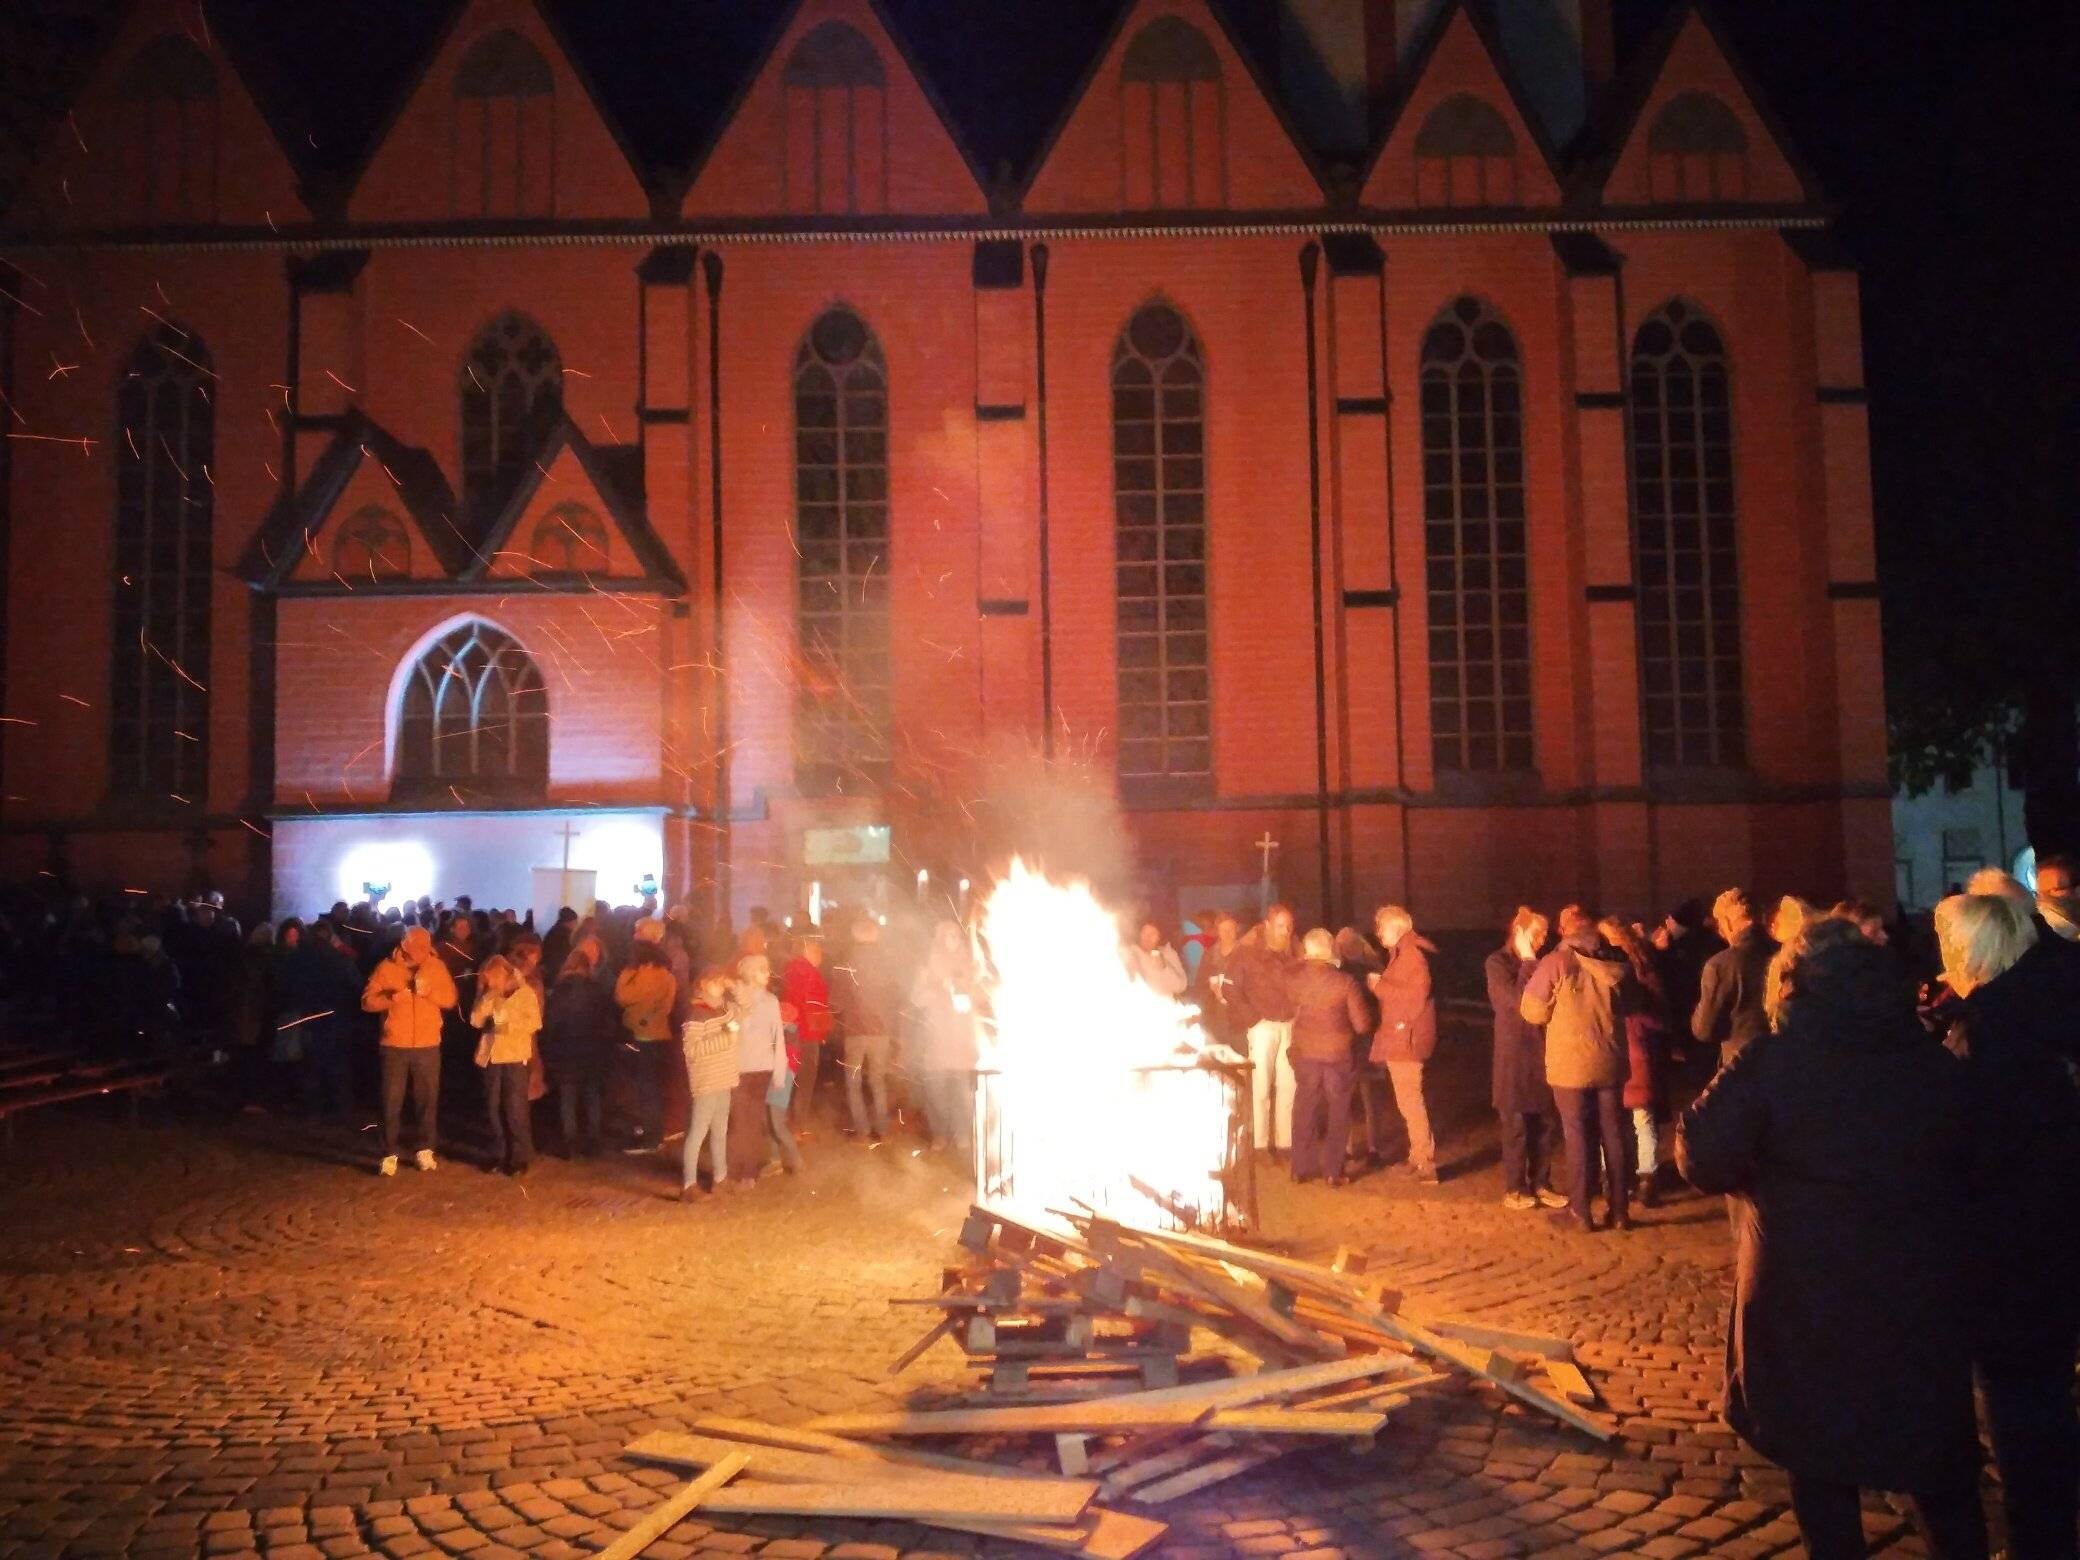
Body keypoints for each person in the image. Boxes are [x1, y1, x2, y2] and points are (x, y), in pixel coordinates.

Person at [1678, 918, 1988, 1560]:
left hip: (1806, 1293)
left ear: (1790, 983)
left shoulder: (1775, 1058)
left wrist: (1760, 1172)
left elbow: (1699, 1154)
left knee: (1820, 1460)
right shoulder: (1929, 1057)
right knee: (1932, 1454)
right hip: (1917, 1290)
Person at [1935, 892, 2079, 1559]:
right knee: (2047, 1400)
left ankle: (2039, 1544)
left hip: (2013, 1256)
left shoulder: (1988, 1034)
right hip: (2053, 1241)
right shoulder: (2049, 1005)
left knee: (2023, 1417)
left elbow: (1976, 1156)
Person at [1521, 905, 1631, 1233]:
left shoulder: (1556, 962)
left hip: (1570, 1065)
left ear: (1566, 930)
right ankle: (1620, 1211)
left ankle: (1580, 1211)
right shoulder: (1616, 960)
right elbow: (1633, 1004)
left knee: (1577, 1135)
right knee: (1614, 1134)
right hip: (1610, 1060)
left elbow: (1533, 1012)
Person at [361, 925, 459, 1176]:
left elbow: (450, 999)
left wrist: (431, 993)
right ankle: (388, 1152)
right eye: (418, 947)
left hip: (427, 1044)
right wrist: (392, 999)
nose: (424, 952)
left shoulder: (436, 967)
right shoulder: (386, 967)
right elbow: (367, 1001)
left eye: (427, 947)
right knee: (391, 1100)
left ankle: (424, 1149)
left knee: (427, 1099)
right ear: (404, 945)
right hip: (395, 1044)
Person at [1486, 907, 1565, 1212]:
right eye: (1537, 934)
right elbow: (1519, 1002)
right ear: (1519, 933)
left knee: (1545, 1126)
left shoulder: (1544, 961)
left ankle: (1542, 1183)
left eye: (1545, 934)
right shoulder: (1497, 963)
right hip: (1514, 1059)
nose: (1542, 940)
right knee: (1516, 1127)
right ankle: (1515, 1188)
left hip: (1543, 1053)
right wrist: (1529, 961)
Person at [1285, 928, 1372, 1186]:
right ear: (1330, 950)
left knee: (1304, 1107)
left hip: (1305, 1052)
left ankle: (1300, 1167)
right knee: (1339, 1109)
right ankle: (1334, 1170)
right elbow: (1362, 1025)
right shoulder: (1345, 982)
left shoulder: (1295, 980)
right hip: (1338, 1054)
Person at [1601, 916, 1672, 1208]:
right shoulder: (1642, 965)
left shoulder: (1628, 969)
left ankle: (1640, 1180)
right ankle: (1637, 1178)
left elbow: (1657, 1012)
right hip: (1627, 1049)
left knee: (1631, 1118)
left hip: (1628, 1049)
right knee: (1634, 1119)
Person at [1367, 905, 1440, 1185]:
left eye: (1381, 927)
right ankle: (1417, 1155)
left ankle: (1426, 1163)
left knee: (1411, 1100)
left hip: (1406, 1038)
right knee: (1407, 1099)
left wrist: (1379, 987)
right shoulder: (1405, 953)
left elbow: (1414, 997)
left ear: (1396, 928)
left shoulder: (1411, 956)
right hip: (1403, 1036)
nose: (1378, 933)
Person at [275, 917, 362, 1122]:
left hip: (308, 1016)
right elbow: (357, 985)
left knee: (311, 1063)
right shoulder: (339, 959)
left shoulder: (299, 958)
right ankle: (340, 1109)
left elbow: (285, 985)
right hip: (336, 1017)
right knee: (337, 1064)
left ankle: (312, 1108)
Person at [1228, 905, 1299, 1155]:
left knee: (1288, 1085)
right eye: (1280, 925)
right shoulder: (1246, 954)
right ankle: (1259, 1144)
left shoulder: (1293, 953)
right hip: (1262, 1027)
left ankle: (1285, 1142)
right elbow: (1231, 989)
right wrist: (1253, 1019)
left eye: (1289, 926)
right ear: (1267, 925)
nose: (1286, 931)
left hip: (1289, 1025)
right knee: (1260, 1085)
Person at [471, 941, 542, 1177]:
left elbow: (534, 1023)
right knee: (493, 1107)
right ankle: (498, 1153)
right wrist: (485, 1004)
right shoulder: (491, 995)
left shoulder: (525, 994)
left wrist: (508, 1024)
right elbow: (475, 1020)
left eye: (494, 978)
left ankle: (520, 1156)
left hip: (514, 1056)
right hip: (492, 1056)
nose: (491, 982)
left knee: (515, 1108)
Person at [909, 920, 980, 1154]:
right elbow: (916, 998)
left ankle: (962, 1135)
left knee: (964, 1096)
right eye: (947, 936)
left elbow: (981, 998)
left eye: (955, 936)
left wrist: (968, 995)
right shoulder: (928, 967)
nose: (952, 939)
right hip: (936, 1042)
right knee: (936, 1094)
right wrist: (939, 988)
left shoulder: (971, 965)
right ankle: (939, 1134)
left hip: (962, 1043)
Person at [540, 938, 615, 1157]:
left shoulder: (559, 991)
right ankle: (593, 1140)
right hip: (592, 1049)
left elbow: (551, 1022)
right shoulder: (597, 989)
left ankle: (570, 1142)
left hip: (566, 1050)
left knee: (568, 1097)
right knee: (592, 1096)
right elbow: (606, 1019)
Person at [613, 929, 679, 1153]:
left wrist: (626, 974)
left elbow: (622, 996)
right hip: (661, 1033)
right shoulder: (668, 975)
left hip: (643, 1036)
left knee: (646, 1088)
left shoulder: (642, 974)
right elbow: (668, 1007)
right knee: (654, 1087)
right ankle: (654, 1129)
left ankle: (651, 1137)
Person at [829, 915, 894, 1140]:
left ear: (855, 935)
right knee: (878, 1080)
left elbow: (836, 1000)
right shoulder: (887, 962)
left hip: (855, 1029)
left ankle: (863, 1130)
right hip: (881, 1030)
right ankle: (883, 1128)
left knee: (854, 1082)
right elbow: (896, 995)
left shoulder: (846, 961)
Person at [677, 965, 740, 1200]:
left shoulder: (723, 1008)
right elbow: (692, 1049)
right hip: (706, 1080)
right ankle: (688, 1185)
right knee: (698, 1131)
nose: (720, 986)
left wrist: (735, 987)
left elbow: (745, 1009)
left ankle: (720, 1178)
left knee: (720, 1131)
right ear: (703, 984)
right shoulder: (696, 1013)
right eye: (716, 982)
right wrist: (725, 1038)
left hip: (724, 1078)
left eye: (722, 982)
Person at [1692, 887, 1773, 1059]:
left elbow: (1705, 1030)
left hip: (1742, 1064)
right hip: (1784, 1062)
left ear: (1727, 923)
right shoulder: (1788, 952)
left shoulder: (1720, 965)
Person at [728, 953, 787, 1183]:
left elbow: (778, 1038)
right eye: (763, 969)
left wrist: (779, 1072)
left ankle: (747, 1171)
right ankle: (737, 1167)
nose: (768, 973)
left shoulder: (771, 1001)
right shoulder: (734, 1000)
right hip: (739, 1067)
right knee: (741, 1120)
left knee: (751, 1120)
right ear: (751, 973)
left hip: (762, 1068)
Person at [779, 935, 833, 1128]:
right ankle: (798, 1125)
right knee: (806, 1079)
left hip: (790, 1031)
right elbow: (816, 1006)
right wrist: (822, 1033)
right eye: (817, 951)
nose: (821, 957)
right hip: (808, 1034)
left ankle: (779, 1119)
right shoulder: (812, 974)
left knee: (786, 1076)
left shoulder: (789, 970)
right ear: (807, 952)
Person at [1190, 912, 1244, 1049]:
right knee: (1217, 1055)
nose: (1227, 933)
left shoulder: (1246, 954)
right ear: (1218, 931)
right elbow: (1199, 985)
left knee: (1239, 1056)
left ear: (1237, 929)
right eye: (1223, 930)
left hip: (1238, 1015)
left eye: (1230, 929)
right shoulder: (1209, 955)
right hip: (1214, 1014)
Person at [1130, 920, 1188, 997]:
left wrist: (1164, 967)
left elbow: (1180, 987)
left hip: (1163, 1004)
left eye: (1153, 934)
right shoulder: (1130, 953)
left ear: (1159, 937)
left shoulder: (1168, 954)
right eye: (1144, 932)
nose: (1147, 937)